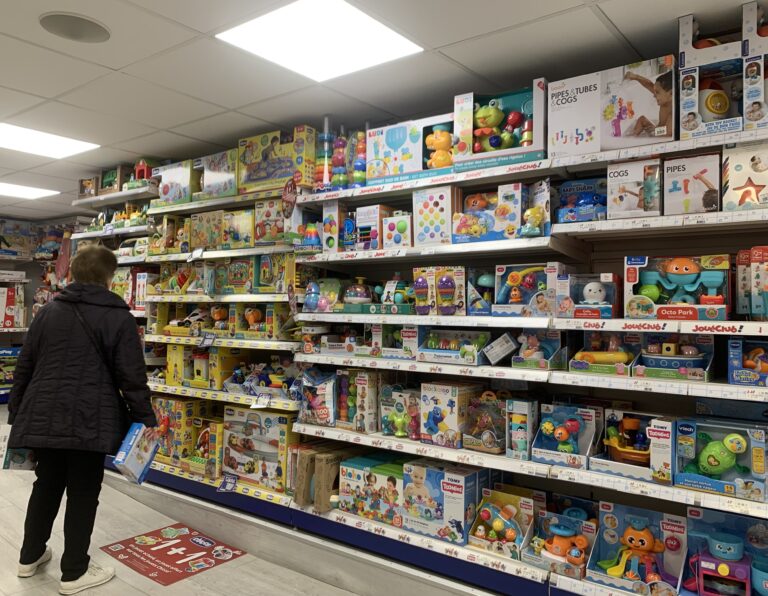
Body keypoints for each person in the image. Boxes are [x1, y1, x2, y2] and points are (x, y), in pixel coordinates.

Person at [8, 245, 156, 595]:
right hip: (92, 418)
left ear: (72, 273)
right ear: (110, 278)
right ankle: (74, 572)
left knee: (46, 485)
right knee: (83, 492)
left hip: (43, 413)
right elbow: (132, 378)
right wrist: (144, 421)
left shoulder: (48, 311)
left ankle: (29, 557)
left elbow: (25, 366)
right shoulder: (119, 317)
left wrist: (17, 413)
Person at [625, 70, 674, 136]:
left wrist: (652, 131)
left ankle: (631, 138)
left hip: (662, 136)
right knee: (642, 119)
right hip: (658, 131)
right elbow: (649, 84)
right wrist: (636, 77)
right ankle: (631, 137)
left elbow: (667, 132)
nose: (654, 95)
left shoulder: (673, 111)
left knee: (642, 121)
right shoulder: (665, 98)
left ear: (671, 93)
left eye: (657, 92)